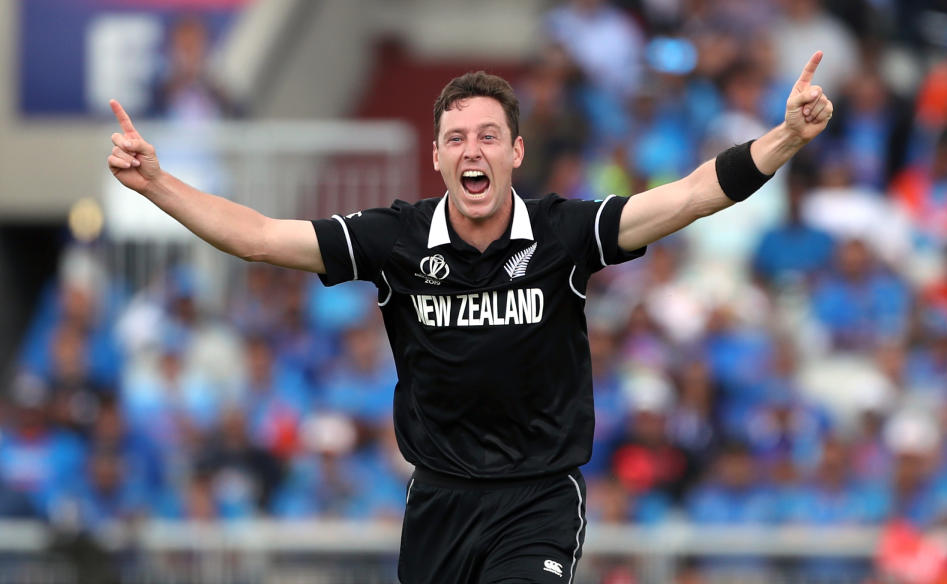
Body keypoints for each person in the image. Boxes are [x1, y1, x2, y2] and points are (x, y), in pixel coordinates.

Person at [106, 51, 833, 583]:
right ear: (436, 157)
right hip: (439, 502)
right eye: (456, 138)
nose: (472, 149)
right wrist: (156, 184)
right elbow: (259, 237)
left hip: (539, 497)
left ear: (516, 151)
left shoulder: (564, 231)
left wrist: (785, 139)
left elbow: (689, 196)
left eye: (488, 135)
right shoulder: (394, 238)